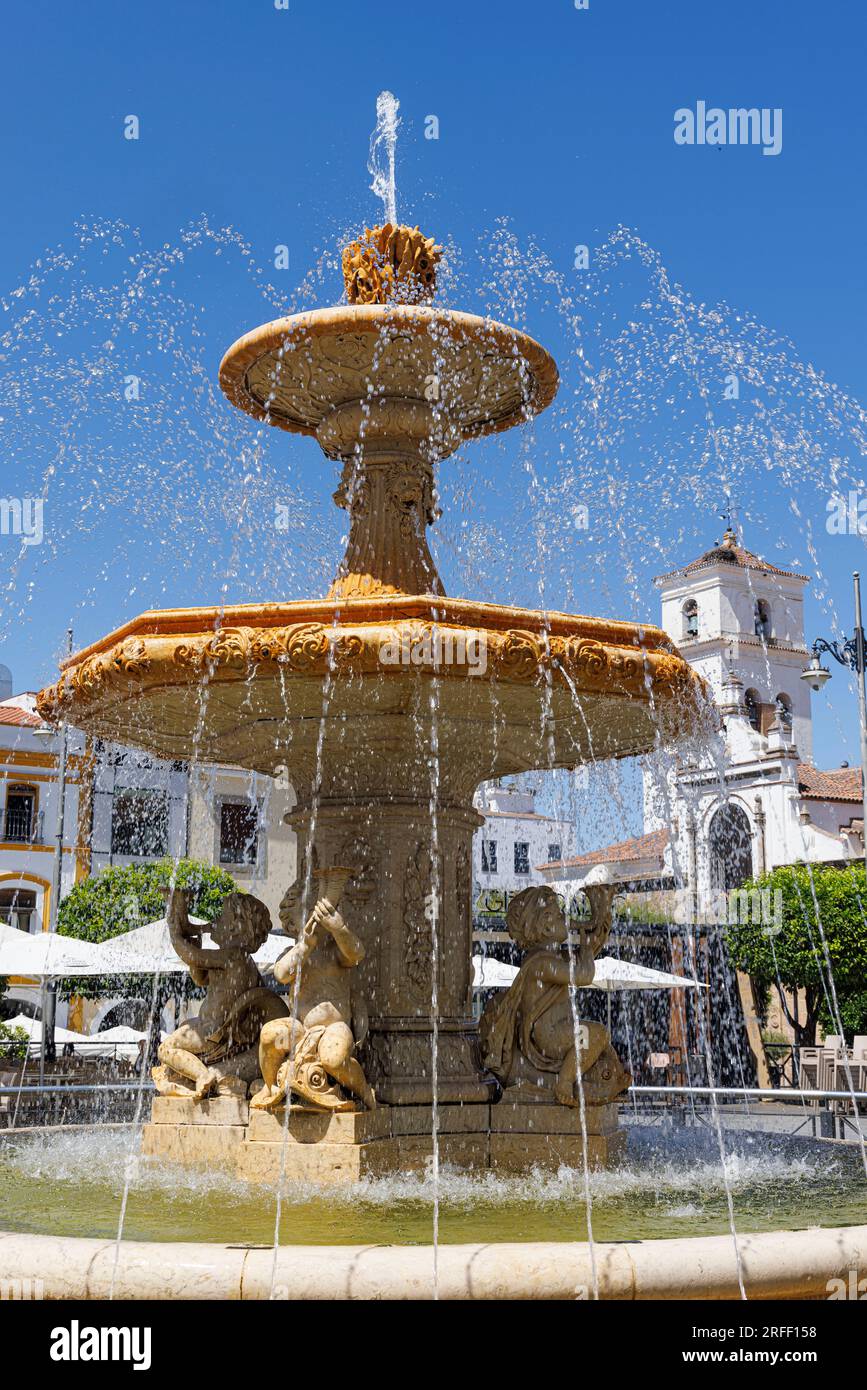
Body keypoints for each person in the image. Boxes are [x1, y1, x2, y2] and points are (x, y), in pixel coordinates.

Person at [480, 884, 629, 1107]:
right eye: (560, 915)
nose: (567, 919)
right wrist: (586, 947)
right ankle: (564, 1083)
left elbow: (584, 960)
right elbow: (584, 974)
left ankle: (604, 1080)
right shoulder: (542, 963)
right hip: (548, 1036)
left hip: (557, 1030)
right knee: (596, 1034)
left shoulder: (554, 958)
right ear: (547, 927)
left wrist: (599, 926)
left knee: (600, 1041)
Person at [154, 888, 288, 1101]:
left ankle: (202, 1076)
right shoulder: (232, 959)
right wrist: (195, 959)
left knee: (166, 1048)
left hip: (215, 1032)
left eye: (221, 915)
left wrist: (174, 929)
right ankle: (200, 1075)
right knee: (184, 1027)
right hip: (211, 1027)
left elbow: (190, 955)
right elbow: (201, 979)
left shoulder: (234, 956)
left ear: (235, 927)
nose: (214, 920)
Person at [251, 890, 375, 1112]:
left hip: (335, 1028)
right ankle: (270, 1088)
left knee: (334, 1059)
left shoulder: (335, 951)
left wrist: (339, 928)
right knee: (269, 1035)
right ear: (292, 922)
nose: (316, 917)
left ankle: (364, 1090)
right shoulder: (294, 952)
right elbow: (281, 974)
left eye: (322, 911)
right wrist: (304, 947)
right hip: (299, 1028)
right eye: (308, 911)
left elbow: (357, 954)